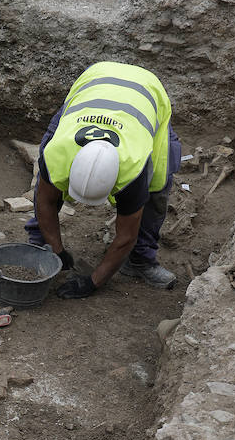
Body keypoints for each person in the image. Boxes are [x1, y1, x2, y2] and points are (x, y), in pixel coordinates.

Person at [25, 61, 181, 299]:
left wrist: (93, 282)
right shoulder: (57, 153)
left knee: (157, 186)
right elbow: (45, 200)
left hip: (148, 93)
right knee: (45, 188)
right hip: (93, 84)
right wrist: (57, 249)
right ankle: (42, 244)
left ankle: (140, 260)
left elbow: (125, 236)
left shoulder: (133, 171)